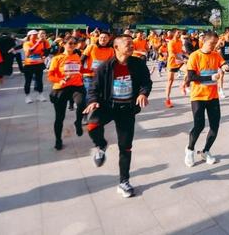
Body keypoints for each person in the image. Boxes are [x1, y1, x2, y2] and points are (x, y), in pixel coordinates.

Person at [84, 35, 152, 198]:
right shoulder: (105, 67)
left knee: (125, 146)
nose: (131, 46)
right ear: (116, 47)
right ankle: (101, 145)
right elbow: (94, 87)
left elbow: (146, 82)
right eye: (127, 44)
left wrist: (143, 94)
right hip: (107, 106)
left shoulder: (138, 64)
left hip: (127, 109)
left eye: (132, 44)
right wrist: (93, 100)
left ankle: (124, 182)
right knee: (92, 125)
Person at [182, 31, 229, 166]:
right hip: (198, 96)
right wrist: (210, 78)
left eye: (216, 44)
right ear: (204, 41)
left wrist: (226, 67)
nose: (214, 46)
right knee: (199, 125)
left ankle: (206, 151)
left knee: (215, 126)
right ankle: (190, 149)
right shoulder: (195, 56)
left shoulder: (216, 54)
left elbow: (224, 64)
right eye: (211, 43)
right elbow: (191, 77)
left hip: (213, 97)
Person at [48, 36, 86, 150]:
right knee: (60, 117)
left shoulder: (77, 56)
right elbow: (50, 75)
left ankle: (78, 122)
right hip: (61, 88)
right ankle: (58, 140)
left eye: (75, 43)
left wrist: (90, 71)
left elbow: (79, 70)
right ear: (63, 44)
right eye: (70, 43)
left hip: (77, 87)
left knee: (81, 103)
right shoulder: (57, 58)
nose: (73, 45)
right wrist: (60, 80)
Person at [23, 30, 48, 103]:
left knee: (39, 80)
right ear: (29, 36)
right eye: (34, 35)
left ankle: (40, 95)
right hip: (29, 65)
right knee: (28, 81)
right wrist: (37, 43)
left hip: (39, 64)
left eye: (36, 35)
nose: (36, 36)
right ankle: (27, 96)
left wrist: (43, 55)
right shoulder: (26, 43)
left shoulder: (41, 43)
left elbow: (45, 51)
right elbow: (28, 53)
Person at [165, 29, 185, 108]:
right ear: (173, 34)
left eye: (180, 33)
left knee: (189, 70)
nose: (179, 34)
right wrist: (181, 59)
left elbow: (181, 51)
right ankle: (167, 99)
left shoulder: (180, 42)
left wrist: (187, 54)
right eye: (178, 33)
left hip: (179, 62)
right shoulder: (170, 42)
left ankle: (183, 85)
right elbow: (172, 53)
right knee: (170, 81)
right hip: (172, 64)